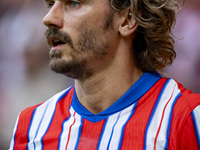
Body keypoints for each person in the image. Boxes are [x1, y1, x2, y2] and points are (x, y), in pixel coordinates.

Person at [9, 0, 200, 149]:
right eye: (51, 4)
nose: (49, 17)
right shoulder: (31, 126)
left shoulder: (186, 117)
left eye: (74, 3)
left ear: (127, 20)